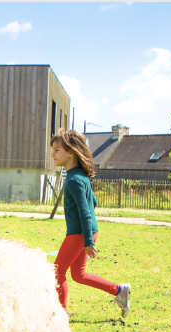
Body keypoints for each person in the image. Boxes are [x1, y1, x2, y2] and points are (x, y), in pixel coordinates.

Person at [50, 129, 131, 319]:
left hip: (80, 234)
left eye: (56, 150)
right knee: (78, 275)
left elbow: (86, 212)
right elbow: (93, 202)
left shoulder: (75, 180)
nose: (53, 154)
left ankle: (61, 315)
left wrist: (87, 241)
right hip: (86, 233)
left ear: (71, 152)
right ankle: (120, 291)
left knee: (57, 272)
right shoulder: (79, 175)